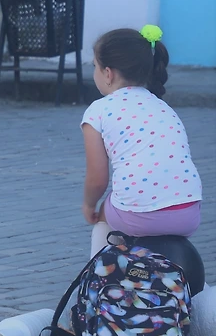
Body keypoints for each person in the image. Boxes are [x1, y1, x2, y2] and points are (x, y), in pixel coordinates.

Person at [82, 26, 202, 256]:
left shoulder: (98, 110)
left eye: (94, 66)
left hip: (137, 215)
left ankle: (99, 271)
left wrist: (89, 205)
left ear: (108, 73)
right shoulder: (163, 106)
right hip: (188, 213)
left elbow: (97, 180)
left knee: (106, 213)